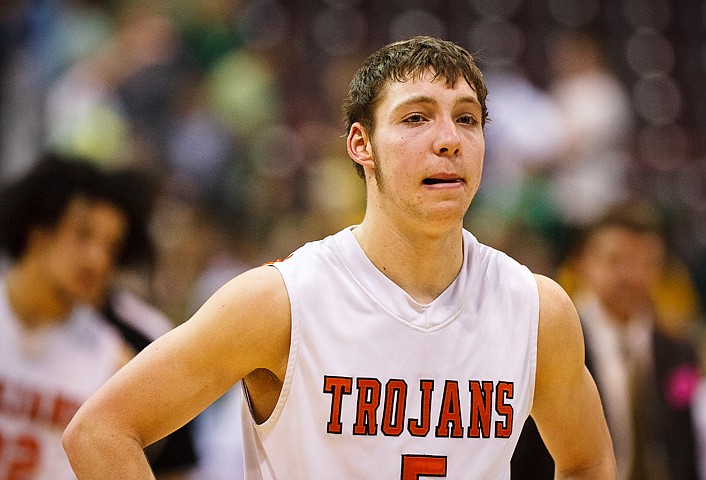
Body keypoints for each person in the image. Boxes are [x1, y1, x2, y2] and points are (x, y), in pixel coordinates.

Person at [63, 36, 615, 479]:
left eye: (467, 119)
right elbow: (99, 432)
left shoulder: (539, 309)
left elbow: (589, 463)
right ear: (361, 144)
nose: (449, 139)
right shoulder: (279, 302)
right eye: (416, 118)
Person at [0, 153, 196, 479]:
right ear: (38, 229)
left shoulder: (118, 360)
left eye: (111, 246)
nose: (97, 259)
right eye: (83, 235)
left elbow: (174, 470)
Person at [513, 199, 700, 480]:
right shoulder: (550, 341)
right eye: (617, 260)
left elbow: (685, 448)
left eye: (646, 262)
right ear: (583, 263)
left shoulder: (680, 352)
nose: (632, 276)